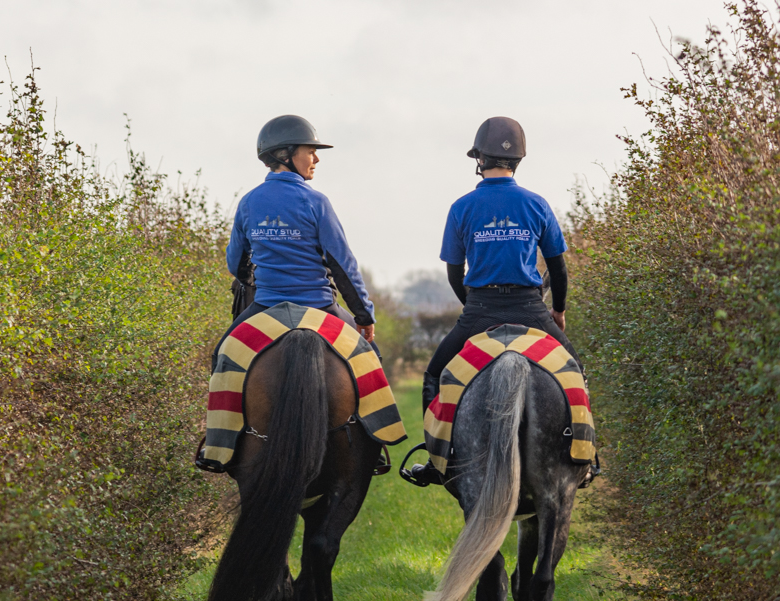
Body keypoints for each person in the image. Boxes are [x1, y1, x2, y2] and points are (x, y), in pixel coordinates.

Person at [408, 116, 581, 486]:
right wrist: (558, 311)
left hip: (479, 311)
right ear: (517, 160)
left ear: (479, 160)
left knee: (434, 375)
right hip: (532, 311)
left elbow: (455, 274)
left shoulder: (462, 207)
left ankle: (436, 460)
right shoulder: (537, 204)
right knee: (576, 373)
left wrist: (472, 306)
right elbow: (559, 271)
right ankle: (584, 455)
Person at [213, 114, 377, 369]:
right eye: (310, 151)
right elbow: (343, 265)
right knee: (371, 358)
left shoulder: (248, 202)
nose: (316, 159)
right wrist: (364, 315)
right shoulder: (316, 202)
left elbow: (236, 263)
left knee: (222, 356)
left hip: (266, 304)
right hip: (320, 306)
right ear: (285, 154)